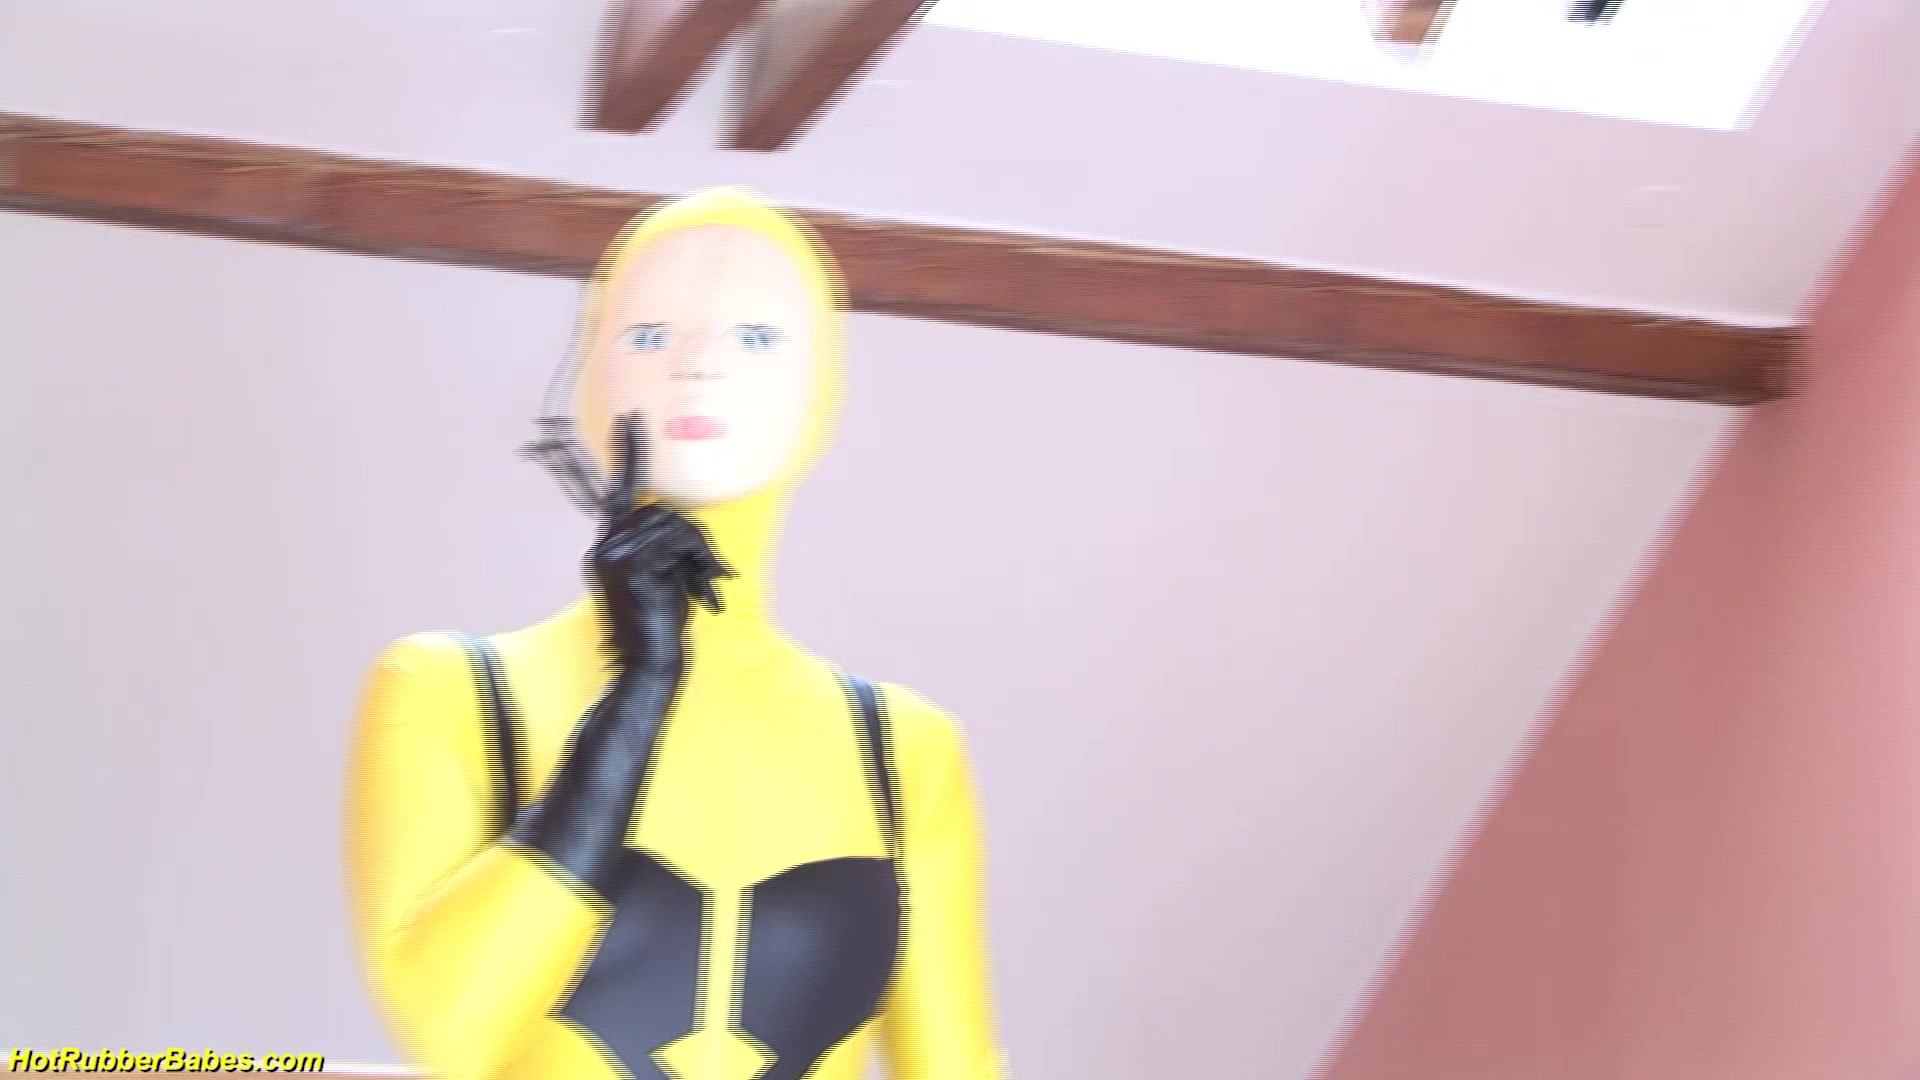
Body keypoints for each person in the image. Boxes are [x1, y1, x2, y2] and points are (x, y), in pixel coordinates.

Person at [344, 188, 1006, 1080]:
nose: (698, 366)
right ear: (589, 379)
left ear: (823, 391)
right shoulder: (448, 690)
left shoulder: (905, 746)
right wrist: (638, 693)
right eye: (650, 335)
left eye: (757, 337)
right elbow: (450, 1032)